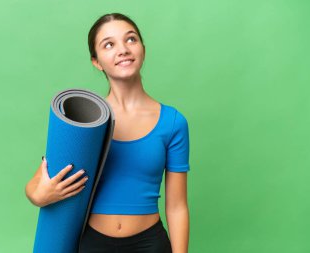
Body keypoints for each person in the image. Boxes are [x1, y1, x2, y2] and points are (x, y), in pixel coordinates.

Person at [25, 13, 190, 253]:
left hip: (150, 245)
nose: (123, 49)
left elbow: (177, 207)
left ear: (143, 48)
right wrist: (40, 196)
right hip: (93, 244)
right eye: (109, 44)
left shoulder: (173, 122)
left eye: (131, 39)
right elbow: (38, 183)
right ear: (96, 61)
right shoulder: (87, 121)